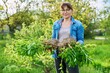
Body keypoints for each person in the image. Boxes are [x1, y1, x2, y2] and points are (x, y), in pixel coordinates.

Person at [52, 2, 84, 73]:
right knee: (60, 71)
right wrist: (51, 44)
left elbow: (81, 40)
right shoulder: (56, 24)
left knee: (73, 71)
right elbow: (53, 38)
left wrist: (77, 44)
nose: (65, 12)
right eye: (63, 10)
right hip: (58, 52)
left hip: (71, 52)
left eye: (67, 10)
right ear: (60, 12)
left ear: (71, 11)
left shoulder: (78, 24)